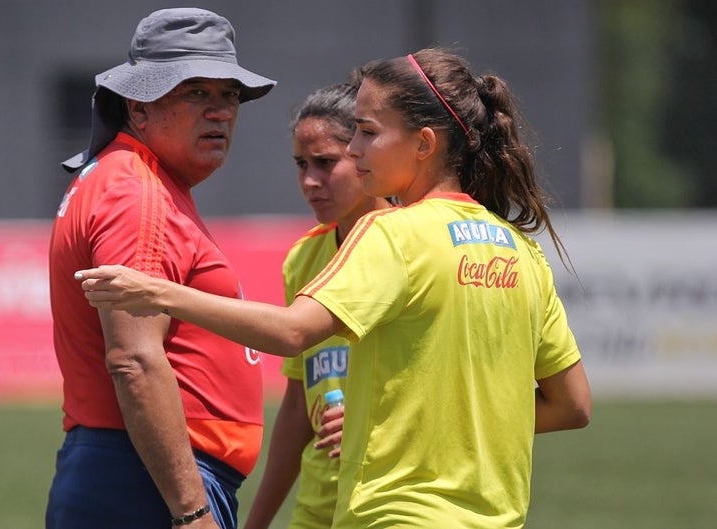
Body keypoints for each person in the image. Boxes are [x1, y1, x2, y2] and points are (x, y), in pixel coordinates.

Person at [75, 48, 592, 528]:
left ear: (423, 144)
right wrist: (441, 427)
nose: (354, 148)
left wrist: (158, 292)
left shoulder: (392, 233)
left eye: (367, 132)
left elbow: (292, 332)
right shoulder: (523, 252)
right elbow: (571, 406)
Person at [45, 8, 275, 529]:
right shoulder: (137, 191)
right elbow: (134, 360)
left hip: (134, 474)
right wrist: (192, 511)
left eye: (230, 95)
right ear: (140, 105)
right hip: (146, 483)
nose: (220, 111)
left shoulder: (127, 177)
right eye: (196, 92)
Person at [243, 81, 393, 529]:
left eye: (326, 163)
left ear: (365, 155)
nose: (310, 181)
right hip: (316, 510)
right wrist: (257, 521)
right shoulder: (304, 259)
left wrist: (377, 425)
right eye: (301, 164)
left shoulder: (414, 246)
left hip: (390, 506)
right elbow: (297, 406)